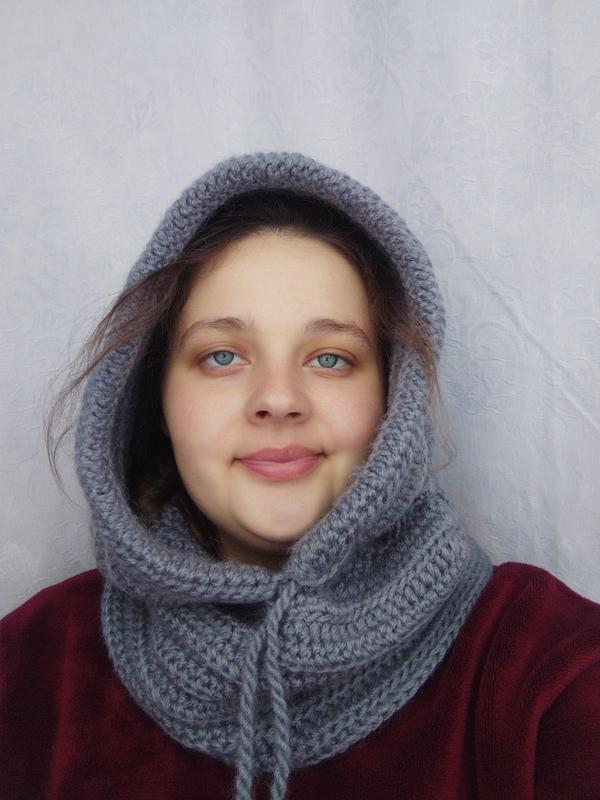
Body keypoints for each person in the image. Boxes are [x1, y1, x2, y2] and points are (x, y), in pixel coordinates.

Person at [1, 151, 599, 800]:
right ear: (156, 400)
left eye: (330, 358)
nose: (279, 398)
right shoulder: (27, 667)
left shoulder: (553, 669)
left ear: (394, 402)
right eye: (222, 356)